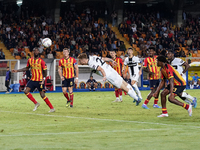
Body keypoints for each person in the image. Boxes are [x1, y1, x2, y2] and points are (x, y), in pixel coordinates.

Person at [77, 53, 142, 105]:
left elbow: (100, 69)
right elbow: (104, 58)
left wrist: (104, 76)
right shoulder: (94, 57)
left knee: (123, 88)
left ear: (84, 60)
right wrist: (111, 60)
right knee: (124, 83)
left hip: (109, 75)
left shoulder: (91, 64)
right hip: (111, 70)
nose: (80, 62)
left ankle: (137, 98)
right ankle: (136, 96)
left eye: (80, 61)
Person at [12, 48, 55, 112]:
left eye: (37, 50)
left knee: (42, 95)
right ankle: (36, 103)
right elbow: (26, 68)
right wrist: (17, 70)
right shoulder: (30, 60)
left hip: (40, 80)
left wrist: (43, 79)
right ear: (33, 52)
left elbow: (45, 71)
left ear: (39, 52)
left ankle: (52, 108)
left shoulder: (41, 61)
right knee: (26, 91)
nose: (36, 52)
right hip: (33, 80)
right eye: (34, 51)